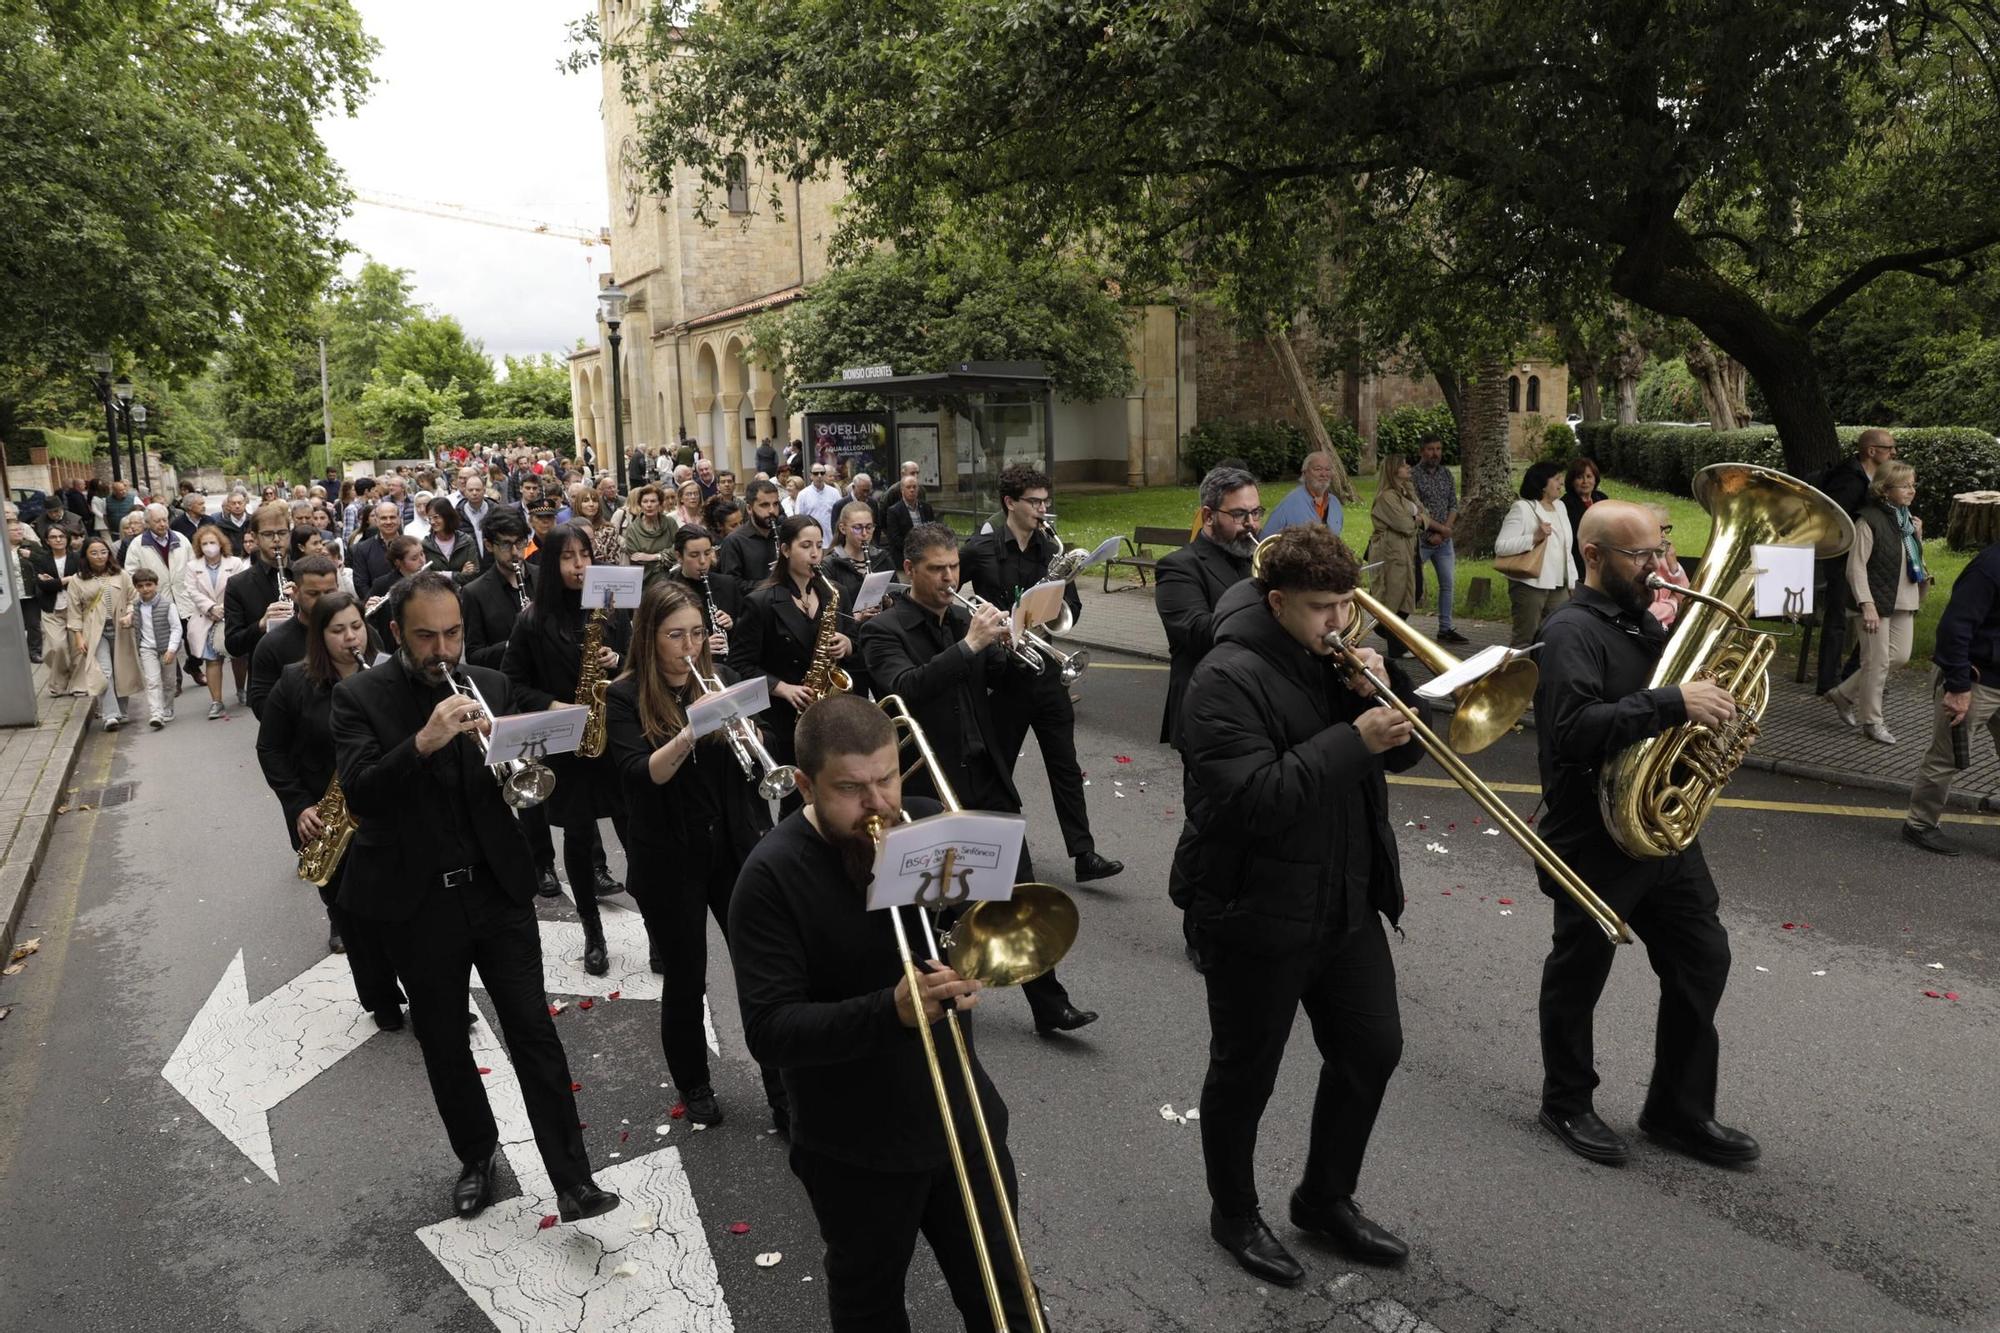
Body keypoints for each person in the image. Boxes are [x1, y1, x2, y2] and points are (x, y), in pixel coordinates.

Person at [728, 694, 1041, 1332]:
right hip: (853, 1145)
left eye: (888, 778)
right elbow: (769, 1030)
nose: (878, 804)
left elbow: (988, 920)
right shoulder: (771, 876)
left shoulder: (924, 822)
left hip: (962, 1110)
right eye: (851, 789)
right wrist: (890, 1011)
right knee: (870, 1304)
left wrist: (975, 937)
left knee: (1006, 1292)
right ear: (804, 785)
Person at [329, 571, 620, 1225]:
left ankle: (574, 1179)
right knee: (443, 1042)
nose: (443, 650)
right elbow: (363, 793)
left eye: (454, 632)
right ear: (397, 633)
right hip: (418, 903)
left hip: (498, 891)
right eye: (427, 636)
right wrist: (426, 740)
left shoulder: (486, 685)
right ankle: (477, 1154)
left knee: (535, 1033)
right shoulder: (359, 697)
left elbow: (527, 773)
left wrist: (528, 742)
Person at [1178, 523, 1425, 1285]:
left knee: (1371, 1048)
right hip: (1253, 908)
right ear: (1279, 601)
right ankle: (1233, 1211)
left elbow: (1408, 748)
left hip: (1344, 898)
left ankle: (1324, 1197)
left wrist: (1388, 690)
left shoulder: (1338, 656)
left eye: (1347, 606)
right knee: (1245, 1072)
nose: (1339, 623)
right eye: (1323, 608)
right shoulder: (1224, 677)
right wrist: (1355, 736)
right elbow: (1252, 801)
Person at [1533, 500, 1756, 1170]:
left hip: (1659, 829)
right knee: (1580, 971)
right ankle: (1565, 1100)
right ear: (1595, 556)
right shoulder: (1570, 631)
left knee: (1702, 955)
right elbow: (1572, 730)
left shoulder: (1642, 619)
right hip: (1593, 834)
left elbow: (1678, 702)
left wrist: (1714, 703)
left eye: (1659, 551)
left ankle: (1677, 1109)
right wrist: (1673, 701)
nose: (1657, 566)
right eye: (1641, 556)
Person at [858, 523, 1098, 1036]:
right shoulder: (885, 631)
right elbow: (905, 688)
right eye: (936, 570)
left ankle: (1048, 1003)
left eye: (953, 567)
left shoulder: (961, 622)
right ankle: (929, 998)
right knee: (938, 905)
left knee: (1020, 891)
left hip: (986, 776)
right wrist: (970, 646)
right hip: (930, 785)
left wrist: (1020, 644)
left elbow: (1000, 681)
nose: (949, 578)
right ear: (909, 571)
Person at [606, 581, 786, 1128]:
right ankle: (695, 1082)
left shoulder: (722, 679)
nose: (689, 645)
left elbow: (756, 762)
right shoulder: (624, 695)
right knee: (687, 977)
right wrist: (690, 730)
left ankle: (783, 1090)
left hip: (733, 846)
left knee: (762, 971)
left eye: (697, 633)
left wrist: (752, 733)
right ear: (650, 637)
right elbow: (640, 776)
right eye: (675, 635)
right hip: (670, 855)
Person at [961, 464, 1124, 884]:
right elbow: (948, 593)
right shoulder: (979, 548)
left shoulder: (1051, 550)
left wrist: (1051, 607)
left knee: (1065, 765)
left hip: (1045, 671)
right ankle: (1002, 854)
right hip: (1003, 675)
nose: (1042, 510)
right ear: (1009, 503)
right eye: (1033, 502)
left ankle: (1084, 854)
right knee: (998, 770)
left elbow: (1073, 609)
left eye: (1045, 502)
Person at [256, 590, 406, 995]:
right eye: (338, 630)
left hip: (385, 810)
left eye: (356, 627)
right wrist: (298, 804)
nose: (350, 638)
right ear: (320, 637)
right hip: (327, 817)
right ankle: (382, 998)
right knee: (353, 920)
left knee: (405, 915)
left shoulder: (389, 674)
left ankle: (429, 998)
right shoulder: (294, 682)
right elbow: (269, 748)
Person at [502, 524, 632, 972]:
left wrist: (620, 663)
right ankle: (592, 932)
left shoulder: (613, 610)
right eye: (568, 557)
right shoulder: (532, 620)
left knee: (637, 834)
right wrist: (552, 704)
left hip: (618, 739)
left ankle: (656, 928)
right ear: (551, 565)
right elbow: (512, 682)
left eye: (585, 555)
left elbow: (642, 664)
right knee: (577, 841)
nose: (580, 565)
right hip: (569, 745)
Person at [1155, 466, 1262, 965]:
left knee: (1248, 822)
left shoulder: (1259, 560)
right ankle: (1197, 924)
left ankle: (1242, 913)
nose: (1250, 523)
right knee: (1207, 823)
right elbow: (1192, 629)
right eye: (1238, 514)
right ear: (1208, 515)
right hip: (1205, 716)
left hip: (1258, 712)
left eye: (1255, 512)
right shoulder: (1180, 565)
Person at [729, 515, 851, 792]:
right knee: (798, 797)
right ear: (785, 550)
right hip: (786, 716)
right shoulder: (760, 602)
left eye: (819, 546)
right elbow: (739, 664)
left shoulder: (835, 593)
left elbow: (855, 641)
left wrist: (848, 643)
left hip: (830, 710)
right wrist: (782, 688)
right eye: (806, 545)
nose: (815, 553)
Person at [1901, 536, 2000, 855]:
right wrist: (1957, 688)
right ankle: (1920, 824)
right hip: (1974, 679)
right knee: (1947, 757)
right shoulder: (1989, 568)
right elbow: (1953, 629)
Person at [1825, 461, 1927, 745]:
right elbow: (1855, 568)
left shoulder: (1906, 520)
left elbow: (1911, 561)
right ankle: (1872, 721)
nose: (1911, 491)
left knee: (1899, 656)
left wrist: (1918, 537)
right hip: (1874, 601)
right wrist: (1866, 603)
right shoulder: (1867, 520)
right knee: (1876, 662)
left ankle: (1843, 693)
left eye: (1913, 485)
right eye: (1905, 485)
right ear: (1885, 489)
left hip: (1903, 598)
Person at [1814, 429, 1898, 694]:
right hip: (1842, 556)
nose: (1894, 453)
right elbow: (1836, 518)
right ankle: (1829, 682)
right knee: (1838, 617)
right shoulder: (1850, 479)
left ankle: (1853, 677)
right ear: (1872, 451)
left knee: (1871, 613)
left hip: (1864, 557)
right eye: (1889, 448)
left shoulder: (1872, 476)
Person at [1494, 461, 1577, 649]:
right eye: (1556, 479)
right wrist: (1534, 537)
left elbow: (1566, 549)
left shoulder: (1561, 507)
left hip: (1559, 585)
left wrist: (1572, 581)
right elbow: (1501, 546)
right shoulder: (1522, 508)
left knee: (1556, 636)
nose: (1561, 483)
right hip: (1530, 583)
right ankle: (1516, 677)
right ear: (1542, 483)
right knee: (1525, 639)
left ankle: (1546, 677)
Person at [246, 555, 340, 718]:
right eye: (314, 593)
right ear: (295, 593)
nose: (323, 600)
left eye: (330, 592)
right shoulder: (272, 645)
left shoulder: (359, 634)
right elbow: (263, 707)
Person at [64, 536, 142, 730]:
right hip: (94, 632)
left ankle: (122, 711)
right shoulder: (77, 580)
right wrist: (78, 637)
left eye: (103, 552)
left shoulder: (121, 575)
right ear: (86, 556)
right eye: (94, 553)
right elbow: (74, 611)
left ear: (109, 554)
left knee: (121, 668)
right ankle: (110, 715)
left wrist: (131, 614)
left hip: (120, 628)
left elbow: (134, 598)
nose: (99, 556)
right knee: (104, 672)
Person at [1410, 434, 1469, 645]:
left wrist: (1445, 531)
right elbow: (1416, 510)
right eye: (1430, 449)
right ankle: (1399, 630)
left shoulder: (1446, 474)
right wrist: (1435, 532)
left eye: (1438, 449)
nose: (1435, 453)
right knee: (1410, 585)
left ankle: (1445, 628)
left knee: (1447, 584)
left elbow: (1453, 504)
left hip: (1444, 541)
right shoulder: (1413, 476)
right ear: (1421, 451)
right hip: (1421, 540)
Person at [184, 523, 245, 719]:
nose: (209, 546)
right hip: (206, 617)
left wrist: (225, 608)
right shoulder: (193, 567)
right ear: (198, 547)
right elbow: (191, 590)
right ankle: (216, 702)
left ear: (221, 543)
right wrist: (211, 607)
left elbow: (240, 586)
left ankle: (241, 690)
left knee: (239, 656)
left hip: (232, 615)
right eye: (205, 543)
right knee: (212, 659)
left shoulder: (234, 563)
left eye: (213, 542)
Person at [1366, 454, 1423, 658]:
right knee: (1394, 595)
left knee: (1412, 592)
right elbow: (1405, 525)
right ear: (1393, 469)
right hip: (1392, 552)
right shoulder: (1387, 497)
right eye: (1403, 465)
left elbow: (1423, 514)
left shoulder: (1404, 491)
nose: (1408, 467)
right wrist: (1416, 520)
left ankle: (1387, 630)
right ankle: (1394, 643)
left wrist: (1417, 516)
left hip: (1407, 550)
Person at [671, 524, 743, 660]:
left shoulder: (727, 584)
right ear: (679, 556)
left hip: (730, 665)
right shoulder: (669, 592)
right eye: (694, 555)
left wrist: (732, 624)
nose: (703, 561)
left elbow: (746, 627)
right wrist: (699, 647)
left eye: (708, 553)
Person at [128, 566, 183, 729]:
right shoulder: (136, 605)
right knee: (152, 681)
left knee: (169, 682)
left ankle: (167, 708)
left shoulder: (167, 605)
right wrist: (128, 621)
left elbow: (176, 628)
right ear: (136, 588)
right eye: (141, 586)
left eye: (149, 585)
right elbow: (135, 620)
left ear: (156, 585)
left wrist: (172, 649)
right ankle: (156, 713)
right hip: (147, 648)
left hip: (166, 648)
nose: (145, 589)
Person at [1261, 451, 1343, 537]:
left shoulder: (1335, 504)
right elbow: (1266, 540)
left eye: (1328, 469)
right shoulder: (1290, 504)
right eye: (1318, 469)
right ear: (1304, 473)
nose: (1323, 474)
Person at [717, 478, 784, 583]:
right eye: (764, 505)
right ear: (749, 509)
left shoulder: (783, 534)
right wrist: (771, 585)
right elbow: (732, 585)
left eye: (775, 504)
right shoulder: (734, 542)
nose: (772, 511)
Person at [1559, 456, 1610, 578]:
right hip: (1578, 557)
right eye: (1579, 477)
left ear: (1595, 479)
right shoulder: (1565, 504)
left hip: (1603, 555)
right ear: (1571, 481)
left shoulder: (1602, 498)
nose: (1585, 482)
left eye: (1589, 476)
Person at [1644, 505, 1691, 628]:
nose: (1664, 535)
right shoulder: (1637, 563)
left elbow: (1687, 601)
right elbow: (1646, 611)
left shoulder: (1665, 558)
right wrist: (1673, 604)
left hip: (1669, 629)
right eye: (1659, 529)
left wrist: (1674, 567)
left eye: (1666, 529)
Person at [620, 483, 677, 580]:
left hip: (671, 576)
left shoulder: (670, 523)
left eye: (653, 501)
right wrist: (667, 556)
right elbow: (636, 558)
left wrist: (655, 557)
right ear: (640, 504)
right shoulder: (633, 529)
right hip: (645, 579)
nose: (649, 505)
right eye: (645, 501)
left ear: (659, 503)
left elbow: (678, 548)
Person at [421, 498, 480, 582]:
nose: (432, 522)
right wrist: (456, 574)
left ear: (447, 516)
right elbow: (426, 577)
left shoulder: (466, 541)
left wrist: (439, 574)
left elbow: (473, 573)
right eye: (429, 518)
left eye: (436, 517)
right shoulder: (426, 544)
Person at [880, 474, 936, 561]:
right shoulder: (893, 511)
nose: (912, 490)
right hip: (904, 557)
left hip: (926, 555)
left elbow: (932, 529)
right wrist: (914, 549)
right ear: (902, 490)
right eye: (908, 487)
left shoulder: (926, 507)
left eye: (914, 487)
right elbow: (895, 538)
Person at [796, 462, 843, 531]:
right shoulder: (803, 494)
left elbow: (841, 514)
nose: (819, 476)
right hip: (811, 535)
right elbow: (799, 518)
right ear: (811, 476)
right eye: (816, 473)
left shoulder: (834, 492)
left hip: (831, 535)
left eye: (822, 473)